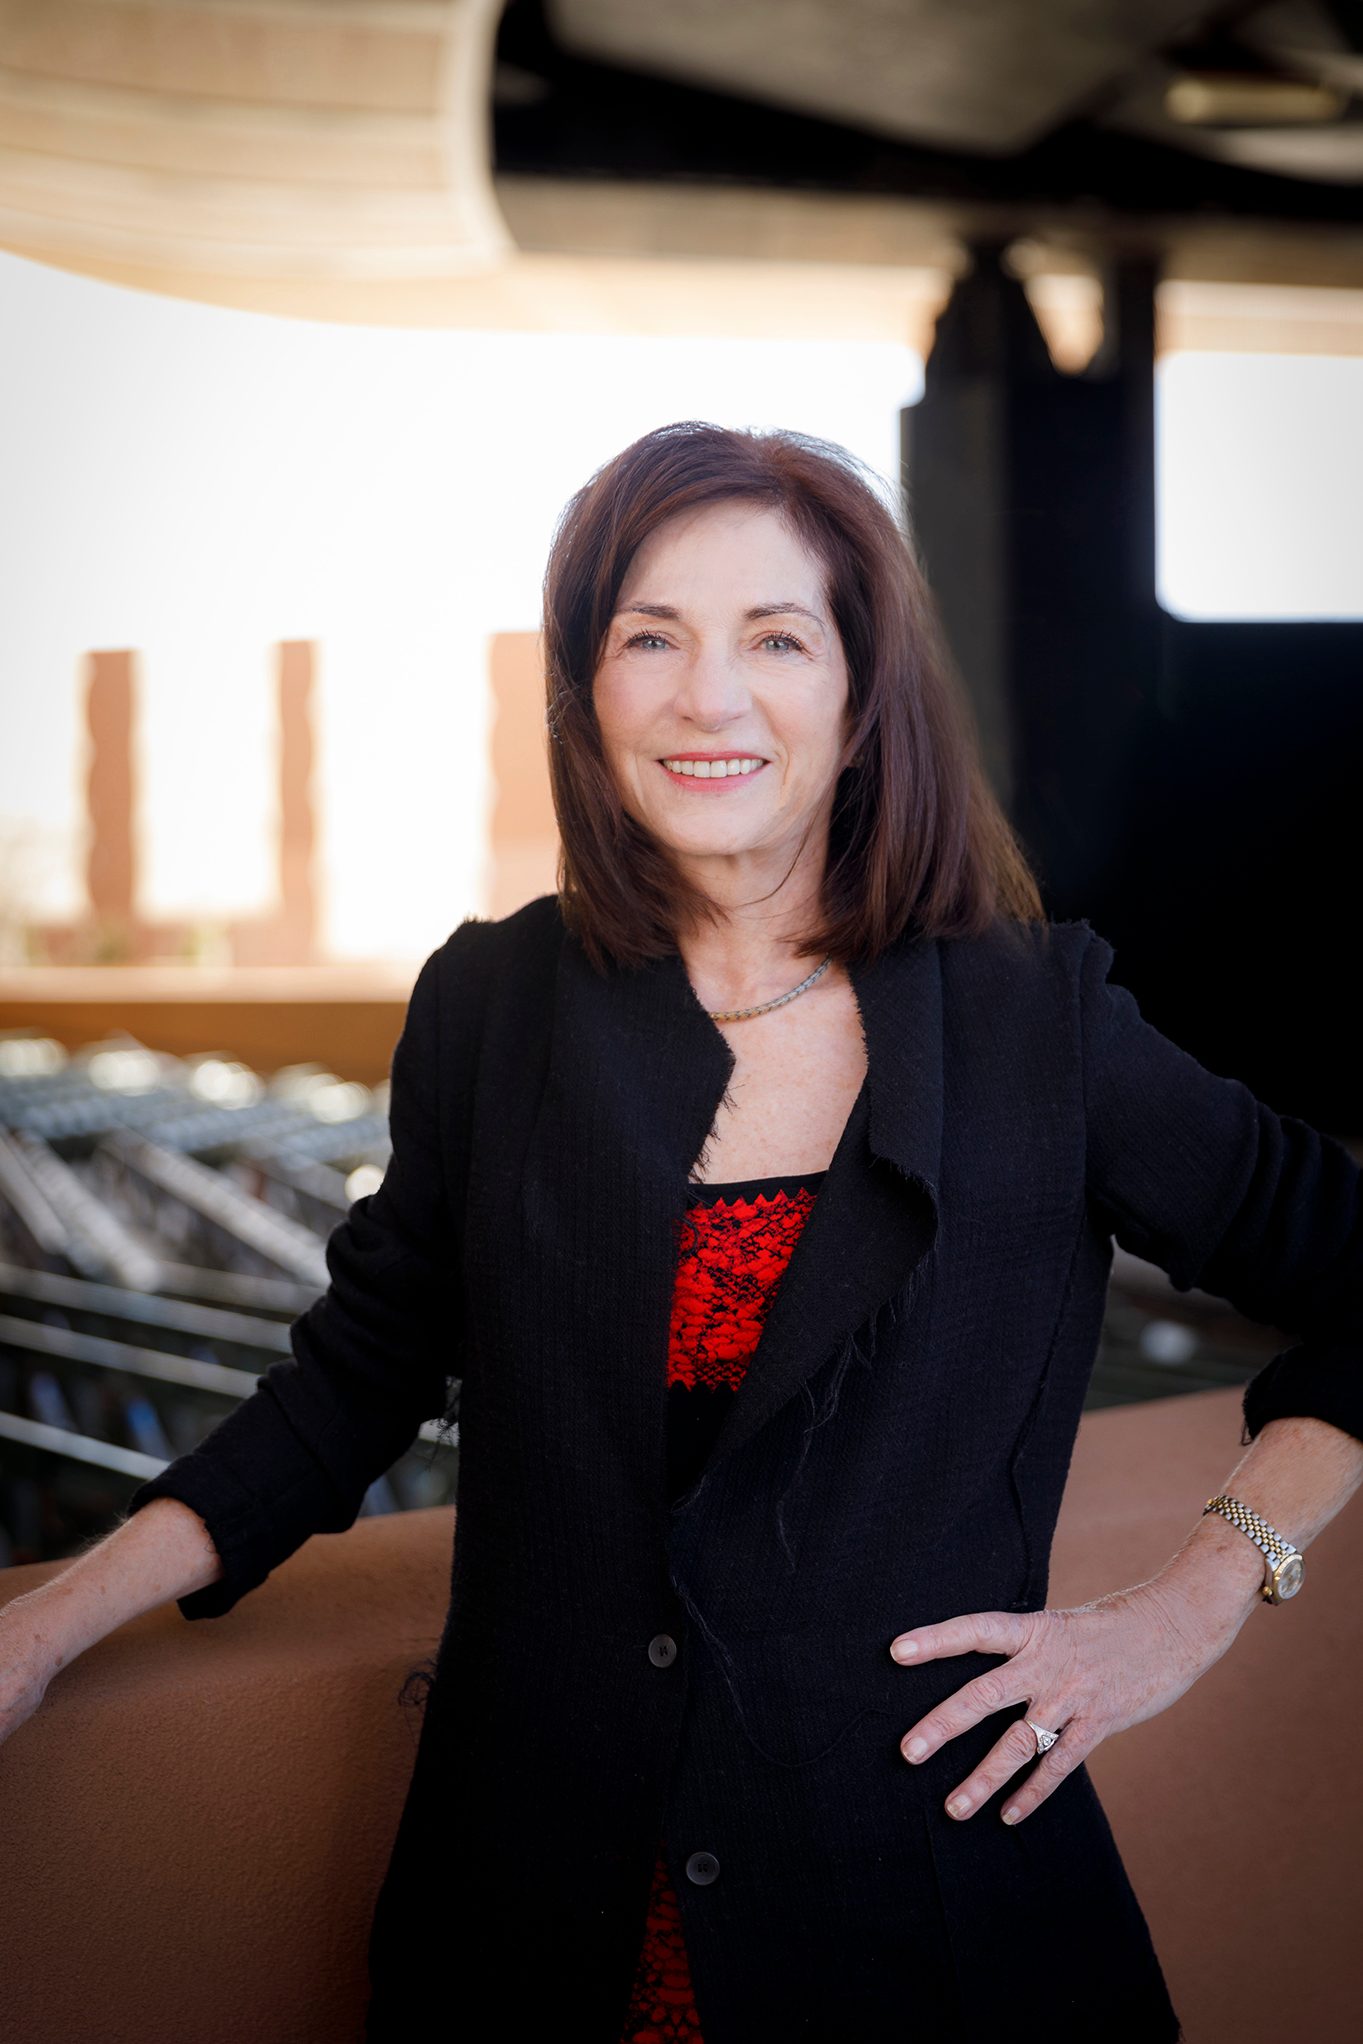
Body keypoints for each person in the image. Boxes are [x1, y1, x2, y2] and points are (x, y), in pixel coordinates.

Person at [3, 420, 1362, 2043]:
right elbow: (347, 1386)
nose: (707, 696)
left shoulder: (1035, 1019)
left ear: (863, 704)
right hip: (526, 1924)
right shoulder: (493, 1006)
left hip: (927, 1922)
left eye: (774, 638)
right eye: (652, 635)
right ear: (588, 691)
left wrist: (1199, 1598)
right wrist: (49, 1621)